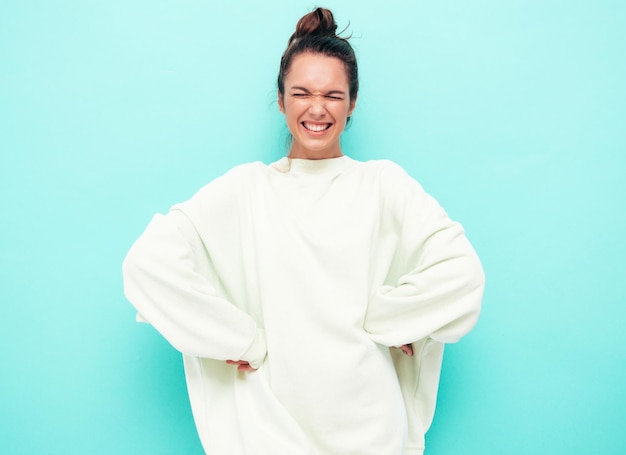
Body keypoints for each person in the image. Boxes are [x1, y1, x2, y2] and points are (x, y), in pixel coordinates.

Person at [123, 7, 484, 455]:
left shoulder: (383, 184)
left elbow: (462, 273)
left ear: (352, 103)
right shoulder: (247, 189)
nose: (317, 108)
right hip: (271, 428)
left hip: (370, 427)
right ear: (281, 100)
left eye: (334, 95)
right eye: (302, 93)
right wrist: (237, 337)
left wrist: (392, 319)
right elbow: (148, 265)